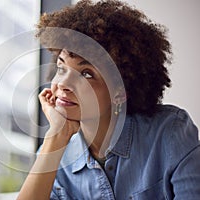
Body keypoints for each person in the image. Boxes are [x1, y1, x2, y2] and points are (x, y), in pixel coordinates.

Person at [17, 0, 200, 199]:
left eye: (86, 74)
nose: (63, 84)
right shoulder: (56, 152)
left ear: (120, 92)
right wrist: (56, 137)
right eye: (61, 68)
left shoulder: (170, 133)